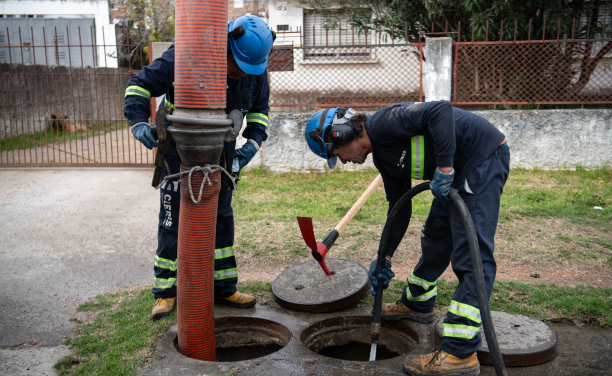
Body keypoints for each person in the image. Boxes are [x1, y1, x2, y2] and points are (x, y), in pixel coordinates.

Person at [304, 101, 509, 376]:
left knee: (471, 255)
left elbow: (440, 111)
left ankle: (459, 353)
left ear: (339, 134)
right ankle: (418, 303)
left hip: (481, 159)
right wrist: (383, 257)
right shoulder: (383, 159)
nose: (341, 161)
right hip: (456, 173)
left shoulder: (384, 123)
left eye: (336, 153)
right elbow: (399, 209)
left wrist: (445, 170)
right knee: (436, 236)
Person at [123, 15, 274, 320]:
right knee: (172, 219)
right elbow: (139, 85)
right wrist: (139, 123)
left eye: (249, 70)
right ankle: (165, 292)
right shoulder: (189, 54)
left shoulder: (254, 70)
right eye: (238, 66)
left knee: (221, 218)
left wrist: (250, 147)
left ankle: (223, 286)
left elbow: (260, 111)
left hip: (223, 154)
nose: (241, 74)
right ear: (226, 45)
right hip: (180, 153)